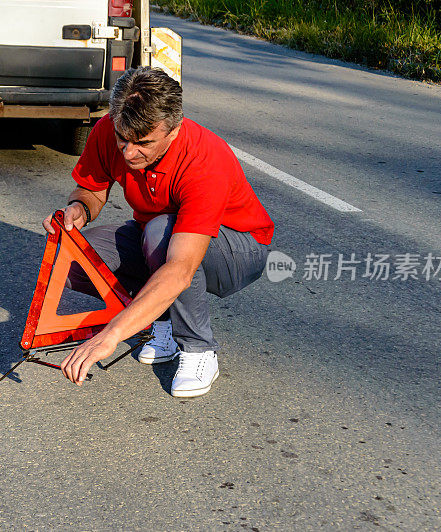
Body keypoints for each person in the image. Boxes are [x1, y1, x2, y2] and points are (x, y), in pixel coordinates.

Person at [42, 67, 274, 397]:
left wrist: (110, 335)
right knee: (76, 256)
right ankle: (161, 320)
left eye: (144, 143)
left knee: (159, 232)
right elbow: (90, 190)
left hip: (239, 250)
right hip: (161, 237)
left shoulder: (204, 159)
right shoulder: (108, 131)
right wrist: (78, 210)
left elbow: (180, 269)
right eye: (122, 139)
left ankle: (198, 348)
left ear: (174, 128)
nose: (128, 152)